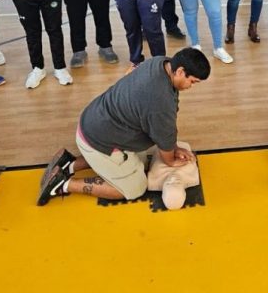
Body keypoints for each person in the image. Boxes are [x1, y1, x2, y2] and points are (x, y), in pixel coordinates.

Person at [36, 48, 210, 205]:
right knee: (135, 188)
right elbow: (165, 144)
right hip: (98, 139)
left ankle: (69, 165)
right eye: (193, 82)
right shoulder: (159, 101)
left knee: (140, 162)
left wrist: (175, 146)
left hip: (93, 121)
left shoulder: (161, 62)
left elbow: (166, 126)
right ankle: (61, 184)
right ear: (180, 71)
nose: (191, 87)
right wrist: (172, 159)